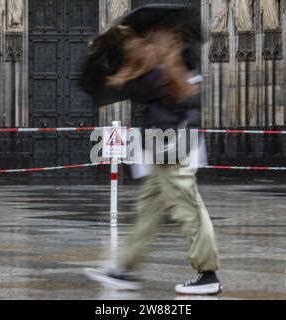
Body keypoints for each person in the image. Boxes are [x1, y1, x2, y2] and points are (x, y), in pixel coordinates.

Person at [84, 27, 222, 295]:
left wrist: (116, 55)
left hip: (169, 147)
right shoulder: (167, 68)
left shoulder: (164, 71)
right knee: (147, 211)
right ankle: (124, 269)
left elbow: (139, 89)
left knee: (188, 207)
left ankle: (208, 273)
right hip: (161, 147)